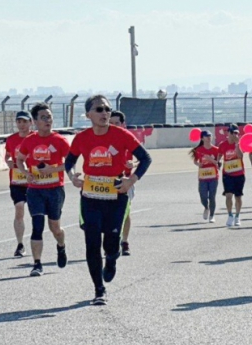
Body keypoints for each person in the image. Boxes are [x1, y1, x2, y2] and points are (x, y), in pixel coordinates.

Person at [65, 95, 152, 305]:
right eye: (99, 109)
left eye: (107, 109)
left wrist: (131, 180)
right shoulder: (82, 138)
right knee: (92, 243)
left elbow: (145, 158)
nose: (104, 113)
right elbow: (69, 162)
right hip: (91, 196)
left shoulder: (121, 135)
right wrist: (72, 176)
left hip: (116, 195)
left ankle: (112, 258)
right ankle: (99, 290)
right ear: (88, 115)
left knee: (111, 244)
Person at [15, 103, 71, 276]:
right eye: (44, 117)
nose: (48, 120)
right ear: (35, 121)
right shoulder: (29, 140)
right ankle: (37, 264)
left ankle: (61, 246)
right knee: (37, 225)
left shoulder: (59, 140)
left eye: (50, 117)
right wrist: (25, 172)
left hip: (55, 189)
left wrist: (52, 170)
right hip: (35, 189)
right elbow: (19, 159)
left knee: (55, 227)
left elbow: (71, 162)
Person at [5, 110, 32, 257]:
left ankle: (37, 240)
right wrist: (8, 162)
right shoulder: (11, 140)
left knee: (37, 214)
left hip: (35, 182)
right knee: (19, 209)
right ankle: (20, 244)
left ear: (30, 123)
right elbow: (8, 155)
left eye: (24, 122)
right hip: (16, 181)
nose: (21, 125)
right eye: (19, 122)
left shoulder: (36, 138)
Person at [110, 110, 136, 255]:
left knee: (125, 213)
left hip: (125, 181)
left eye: (117, 123)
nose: (114, 126)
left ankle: (124, 241)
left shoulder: (129, 139)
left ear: (123, 124)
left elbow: (142, 158)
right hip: (106, 182)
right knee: (108, 214)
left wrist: (134, 164)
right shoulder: (104, 139)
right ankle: (110, 241)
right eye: (111, 123)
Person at [191, 130, 221, 222]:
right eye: (206, 136)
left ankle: (212, 215)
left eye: (210, 136)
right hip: (203, 177)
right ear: (202, 138)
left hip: (213, 177)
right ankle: (206, 207)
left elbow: (219, 164)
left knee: (212, 196)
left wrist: (211, 160)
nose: (209, 138)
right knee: (203, 196)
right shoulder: (198, 150)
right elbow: (195, 161)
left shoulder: (216, 150)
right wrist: (197, 164)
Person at [219, 124, 245, 227]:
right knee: (228, 195)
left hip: (239, 174)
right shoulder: (222, 144)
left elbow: (240, 156)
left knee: (238, 197)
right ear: (228, 133)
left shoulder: (240, 143)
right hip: (227, 174)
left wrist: (237, 145)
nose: (235, 135)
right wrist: (218, 162)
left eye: (237, 133)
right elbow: (219, 155)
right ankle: (230, 215)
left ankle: (237, 216)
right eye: (233, 133)